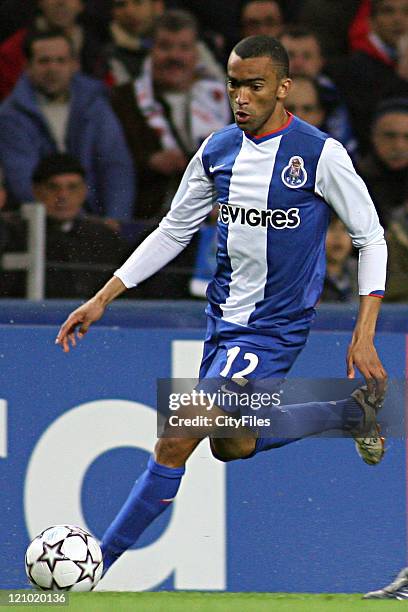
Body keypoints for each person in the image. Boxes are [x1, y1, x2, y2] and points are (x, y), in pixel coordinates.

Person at [56, 35, 388, 579]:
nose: (242, 97)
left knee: (177, 433)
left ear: (283, 88)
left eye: (255, 86)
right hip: (223, 324)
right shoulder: (216, 151)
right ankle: (349, 413)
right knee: (232, 445)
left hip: (271, 330)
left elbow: (371, 238)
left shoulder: (318, 154)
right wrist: (102, 297)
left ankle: (92, 570)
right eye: (234, 85)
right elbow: (173, 230)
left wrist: (365, 331)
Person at [0, 29, 135, 220]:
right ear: (27, 66)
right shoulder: (10, 115)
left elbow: (116, 166)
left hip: (99, 222)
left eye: (61, 60)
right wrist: (79, 223)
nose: (52, 68)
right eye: (44, 61)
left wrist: (116, 220)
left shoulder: (96, 104)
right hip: (42, 222)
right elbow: (24, 181)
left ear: (75, 65)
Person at [111, 10, 230, 220]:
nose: (174, 57)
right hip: (151, 217)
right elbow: (111, 161)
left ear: (196, 53)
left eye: (183, 47)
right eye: (165, 47)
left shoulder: (222, 98)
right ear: (150, 51)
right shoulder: (124, 100)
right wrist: (149, 162)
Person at [0, 153, 131, 299]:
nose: (62, 195)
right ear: (36, 191)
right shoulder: (12, 234)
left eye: (72, 187)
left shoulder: (104, 237)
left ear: (84, 191)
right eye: (53, 187)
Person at [330, 0, 408, 152]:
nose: (398, 19)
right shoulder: (354, 68)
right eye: (388, 11)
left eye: (406, 12)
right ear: (370, 21)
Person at [0, 0, 106, 100]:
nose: (61, 2)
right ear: (40, 2)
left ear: (81, 5)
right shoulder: (12, 50)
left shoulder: (97, 49)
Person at [280, 27, 357, 156]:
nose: (298, 64)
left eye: (307, 56)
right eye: (290, 55)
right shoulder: (254, 95)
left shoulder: (335, 97)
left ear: (321, 62)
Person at [357, 98, 408, 227]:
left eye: (407, 137)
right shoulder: (353, 180)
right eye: (390, 136)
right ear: (373, 136)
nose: (399, 146)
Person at [321, 216, 358, 302]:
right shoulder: (307, 274)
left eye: (344, 229)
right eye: (331, 229)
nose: (337, 236)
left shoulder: (363, 272)